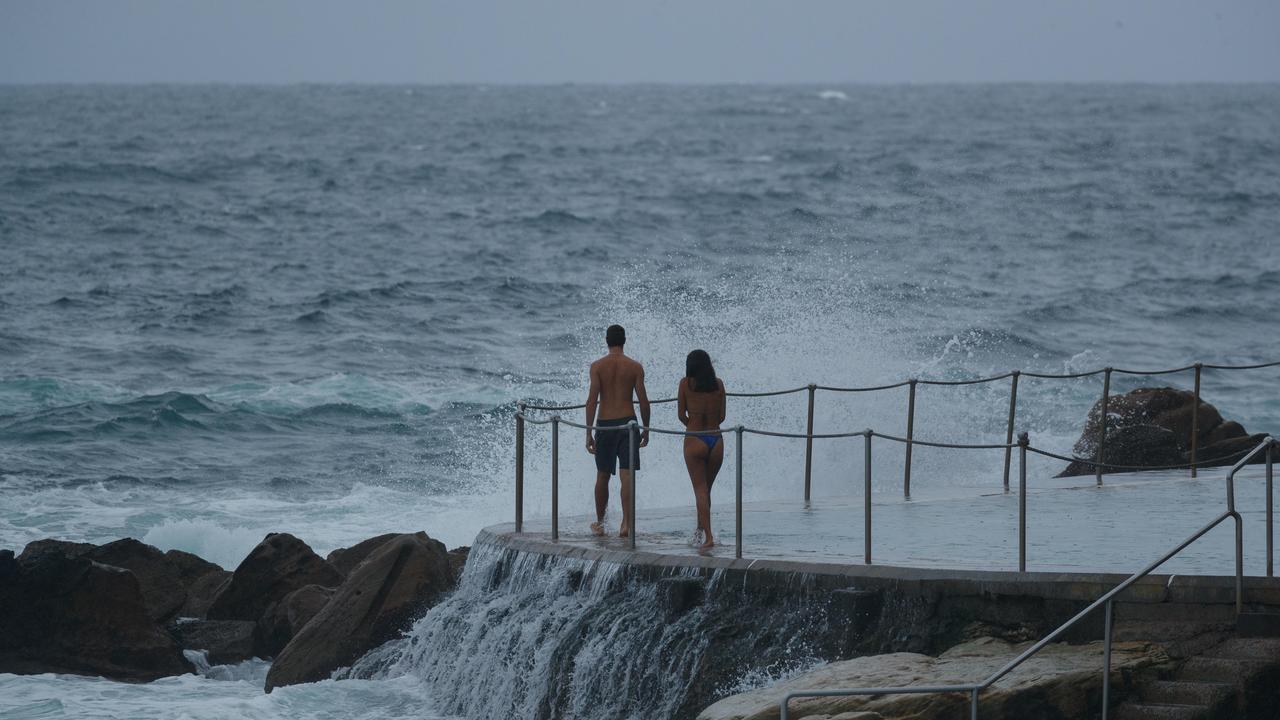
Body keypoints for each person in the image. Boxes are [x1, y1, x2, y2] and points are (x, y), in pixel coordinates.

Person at [585, 324, 650, 538]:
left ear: (607, 340)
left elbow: (592, 401)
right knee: (627, 475)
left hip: (605, 424)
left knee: (602, 476)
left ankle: (601, 523)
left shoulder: (597, 366)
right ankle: (626, 523)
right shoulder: (635, 367)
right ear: (624, 341)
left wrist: (589, 432)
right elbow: (643, 401)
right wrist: (646, 428)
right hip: (628, 424)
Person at [678, 349, 725, 550]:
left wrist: (693, 426)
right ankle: (699, 531)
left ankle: (708, 536)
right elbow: (722, 416)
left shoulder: (686, 384)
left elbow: (681, 415)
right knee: (706, 490)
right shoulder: (719, 385)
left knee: (700, 490)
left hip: (695, 438)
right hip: (716, 440)